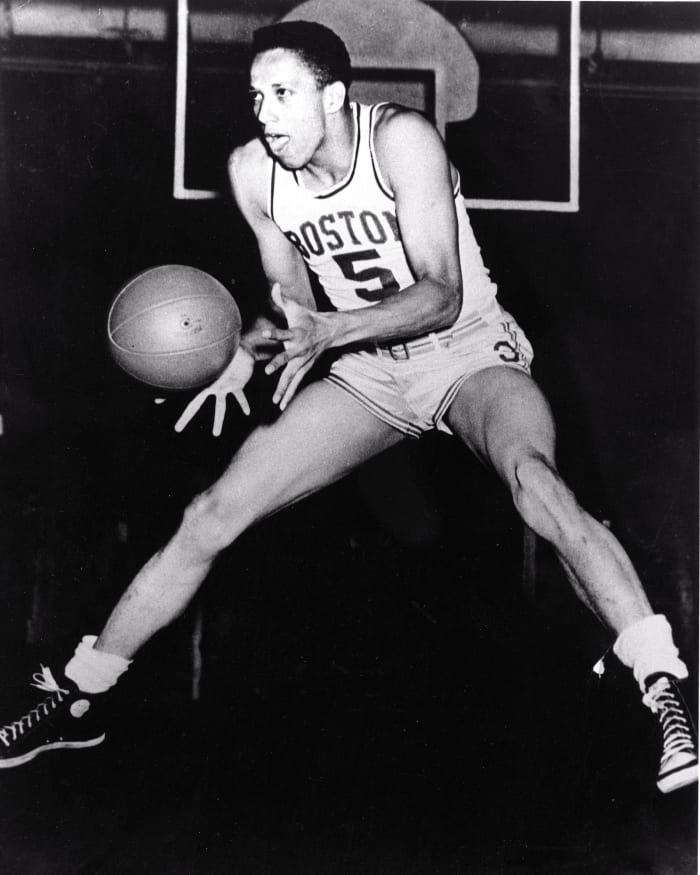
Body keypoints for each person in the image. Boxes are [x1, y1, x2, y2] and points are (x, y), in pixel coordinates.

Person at [0, 21, 696, 794]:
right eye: (258, 96)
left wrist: (329, 329)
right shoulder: (253, 172)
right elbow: (294, 296)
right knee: (210, 514)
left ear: (334, 95)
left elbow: (440, 292)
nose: (266, 113)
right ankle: (80, 691)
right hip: (370, 371)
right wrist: (250, 342)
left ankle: (664, 686)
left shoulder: (402, 140)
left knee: (535, 481)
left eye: (285, 94)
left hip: (467, 353)